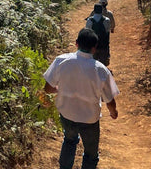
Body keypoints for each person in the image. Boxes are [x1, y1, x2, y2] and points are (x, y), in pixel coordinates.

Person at [44, 28, 119, 169]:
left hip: (67, 114)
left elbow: (48, 88)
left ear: (76, 43)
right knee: (91, 154)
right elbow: (109, 100)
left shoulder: (61, 61)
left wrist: (59, 90)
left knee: (69, 141)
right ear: (94, 48)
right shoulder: (101, 70)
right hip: (89, 119)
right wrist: (113, 112)